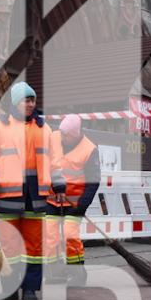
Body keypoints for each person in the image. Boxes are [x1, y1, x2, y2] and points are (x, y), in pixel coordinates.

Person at [0, 81, 50, 300]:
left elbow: (54, 161)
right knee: (9, 247)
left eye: (32, 100)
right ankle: (10, 289)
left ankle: (30, 289)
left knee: (34, 247)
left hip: (35, 198)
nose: (30, 104)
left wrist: (58, 187)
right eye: (25, 100)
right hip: (7, 196)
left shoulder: (44, 128)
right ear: (15, 102)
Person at [48, 114, 101, 284]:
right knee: (50, 236)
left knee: (70, 235)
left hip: (74, 202)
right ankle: (55, 273)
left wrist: (82, 204)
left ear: (76, 134)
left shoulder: (89, 149)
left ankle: (77, 273)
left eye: (66, 136)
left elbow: (93, 181)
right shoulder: (54, 137)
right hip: (52, 198)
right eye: (61, 134)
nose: (62, 138)